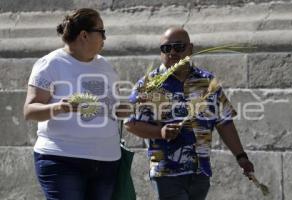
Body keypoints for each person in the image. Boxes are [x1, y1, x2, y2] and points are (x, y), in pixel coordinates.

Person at [125, 27, 255, 200]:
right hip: (166, 173)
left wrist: (241, 156)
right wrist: (160, 132)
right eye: (166, 48)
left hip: (200, 172)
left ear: (190, 48)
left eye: (178, 47)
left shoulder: (207, 82)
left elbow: (224, 122)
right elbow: (130, 123)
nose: (172, 52)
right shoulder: (148, 84)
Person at [23, 8, 122, 200]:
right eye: (101, 32)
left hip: (107, 160)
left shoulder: (106, 66)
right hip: (62, 160)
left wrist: (134, 107)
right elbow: (30, 111)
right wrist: (59, 107)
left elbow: (114, 110)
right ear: (84, 35)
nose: (105, 38)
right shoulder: (50, 64)